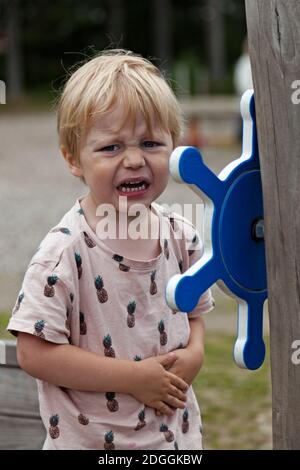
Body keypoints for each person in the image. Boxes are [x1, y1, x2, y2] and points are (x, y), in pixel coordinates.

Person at [7, 49, 214, 450]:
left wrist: (197, 353)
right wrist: (133, 378)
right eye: (111, 148)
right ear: (73, 159)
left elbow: (195, 313)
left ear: (175, 146)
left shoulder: (182, 236)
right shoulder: (65, 252)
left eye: (151, 143)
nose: (135, 160)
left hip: (176, 442)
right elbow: (33, 353)